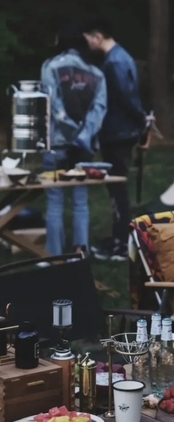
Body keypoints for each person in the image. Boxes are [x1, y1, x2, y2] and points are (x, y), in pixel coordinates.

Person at [82, 17, 148, 261]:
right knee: (116, 187)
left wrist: (141, 121)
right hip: (119, 130)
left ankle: (123, 242)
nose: (87, 42)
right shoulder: (119, 57)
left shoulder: (115, 61)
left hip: (118, 132)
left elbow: (127, 97)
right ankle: (120, 237)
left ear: (98, 36)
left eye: (88, 37)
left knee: (118, 188)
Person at [41, 24, 107, 256]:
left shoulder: (50, 67)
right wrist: (83, 136)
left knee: (55, 200)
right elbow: (99, 109)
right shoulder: (96, 73)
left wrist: (69, 132)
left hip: (56, 144)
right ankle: (81, 252)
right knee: (80, 200)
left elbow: (51, 105)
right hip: (84, 147)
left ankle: (54, 255)